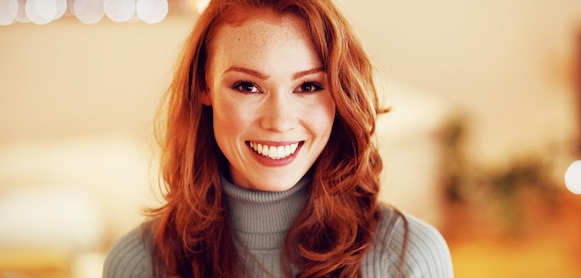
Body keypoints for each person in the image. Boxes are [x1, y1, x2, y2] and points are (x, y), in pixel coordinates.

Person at [103, 0, 454, 277]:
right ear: (203, 87)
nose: (279, 121)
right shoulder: (137, 264)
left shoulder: (410, 258)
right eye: (248, 86)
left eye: (308, 86)